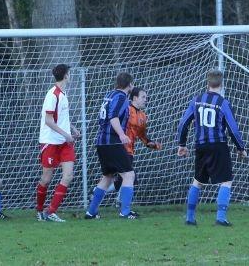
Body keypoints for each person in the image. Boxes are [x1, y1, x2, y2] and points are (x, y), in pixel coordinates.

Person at [177, 69, 247, 227]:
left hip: (200, 146)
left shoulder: (196, 100)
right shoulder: (223, 103)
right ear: (221, 84)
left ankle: (190, 218)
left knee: (198, 181)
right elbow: (233, 128)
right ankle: (221, 218)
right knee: (226, 181)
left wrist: (182, 144)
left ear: (207, 83)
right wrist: (240, 147)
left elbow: (183, 123)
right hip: (218, 145)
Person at [94, 87, 162, 204]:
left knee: (119, 179)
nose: (146, 100)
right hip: (118, 147)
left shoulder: (143, 116)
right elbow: (113, 120)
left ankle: (107, 200)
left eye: (146, 97)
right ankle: (122, 207)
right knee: (128, 177)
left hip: (129, 150)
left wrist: (150, 143)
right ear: (135, 98)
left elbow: (141, 134)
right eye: (143, 97)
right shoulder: (126, 109)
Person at [85, 72, 136, 220]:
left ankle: (91, 212)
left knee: (107, 177)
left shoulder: (110, 94)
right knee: (129, 174)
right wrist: (121, 134)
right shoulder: (121, 97)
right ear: (130, 84)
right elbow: (112, 117)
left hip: (101, 141)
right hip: (112, 141)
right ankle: (125, 212)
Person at [36, 64, 80, 222]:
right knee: (46, 178)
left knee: (68, 175)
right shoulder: (52, 94)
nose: (71, 76)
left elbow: (60, 118)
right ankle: (40, 210)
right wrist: (66, 134)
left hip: (64, 143)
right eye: (70, 73)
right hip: (50, 142)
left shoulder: (63, 93)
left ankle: (51, 211)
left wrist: (72, 129)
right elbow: (48, 121)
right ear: (66, 75)